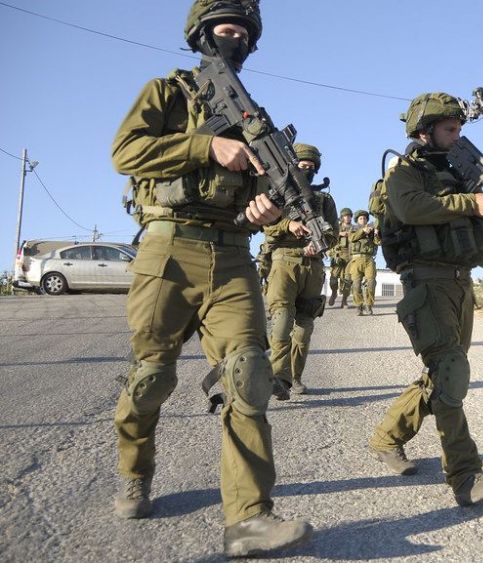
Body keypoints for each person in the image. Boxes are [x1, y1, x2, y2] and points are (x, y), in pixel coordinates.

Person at [109, 1, 311, 556]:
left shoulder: (256, 120)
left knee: (249, 375)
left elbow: (258, 195)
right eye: (226, 30)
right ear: (201, 36)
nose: (236, 40)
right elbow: (125, 151)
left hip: (233, 256)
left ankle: (249, 519)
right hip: (169, 249)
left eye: (245, 33)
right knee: (151, 377)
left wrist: (267, 209)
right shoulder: (166, 91)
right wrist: (207, 144)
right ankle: (135, 471)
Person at [369, 92, 483, 507]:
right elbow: (409, 209)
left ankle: (387, 438)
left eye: (459, 130)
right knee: (451, 372)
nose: (457, 137)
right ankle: (464, 475)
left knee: (442, 374)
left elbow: (474, 239)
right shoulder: (403, 172)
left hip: (460, 284)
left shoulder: (457, 179)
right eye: (450, 129)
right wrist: (471, 203)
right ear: (424, 132)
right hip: (426, 283)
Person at [263, 143, 337, 396]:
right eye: (303, 166)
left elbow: (334, 235)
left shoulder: (324, 200)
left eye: (312, 167)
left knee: (304, 329)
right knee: (282, 322)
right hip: (284, 261)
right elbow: (266, 227)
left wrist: (319, 245)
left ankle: (295, 378)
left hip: (313, 268)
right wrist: (288, 225)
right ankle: (278, 377)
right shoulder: (277, 194)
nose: (308, 171)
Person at [348, 209, 378, 315]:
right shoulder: (353, 229)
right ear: (357, 220)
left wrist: (376, 233)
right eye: (360, 218)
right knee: (356, 285)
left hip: (369, 259)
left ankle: (369, 305)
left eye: (364, 218)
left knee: (371, 283)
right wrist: (363, 231)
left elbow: (377, 242)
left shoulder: (371, 229)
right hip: (356, 259)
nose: (363, 220)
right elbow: (352, 238)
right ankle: (358, 306)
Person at [327, 208, 354, 307]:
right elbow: (328, 235)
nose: (347, 218)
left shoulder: (354, 228)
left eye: (349, 216)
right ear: (342, 217)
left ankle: (344, 300)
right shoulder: (336, 227)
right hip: (338, 256)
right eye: (345, 216)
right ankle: (334, 293)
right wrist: (339, 234)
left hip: (350, 257)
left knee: (348, 280)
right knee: (333, 279)